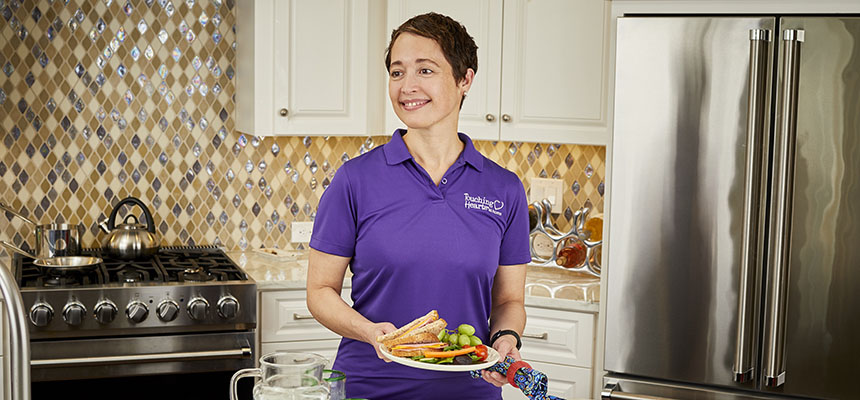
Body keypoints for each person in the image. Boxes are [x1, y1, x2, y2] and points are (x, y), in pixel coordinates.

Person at [306, 12, 530, 400]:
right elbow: (320, 290)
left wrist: (506, 339)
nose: (407, 86)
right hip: (370, 386)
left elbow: (509, 300)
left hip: (470, 390)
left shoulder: (504, 189)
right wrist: (370, 332)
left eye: (425, 70)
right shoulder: (355, 180)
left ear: (465, 80)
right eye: (397, 72)